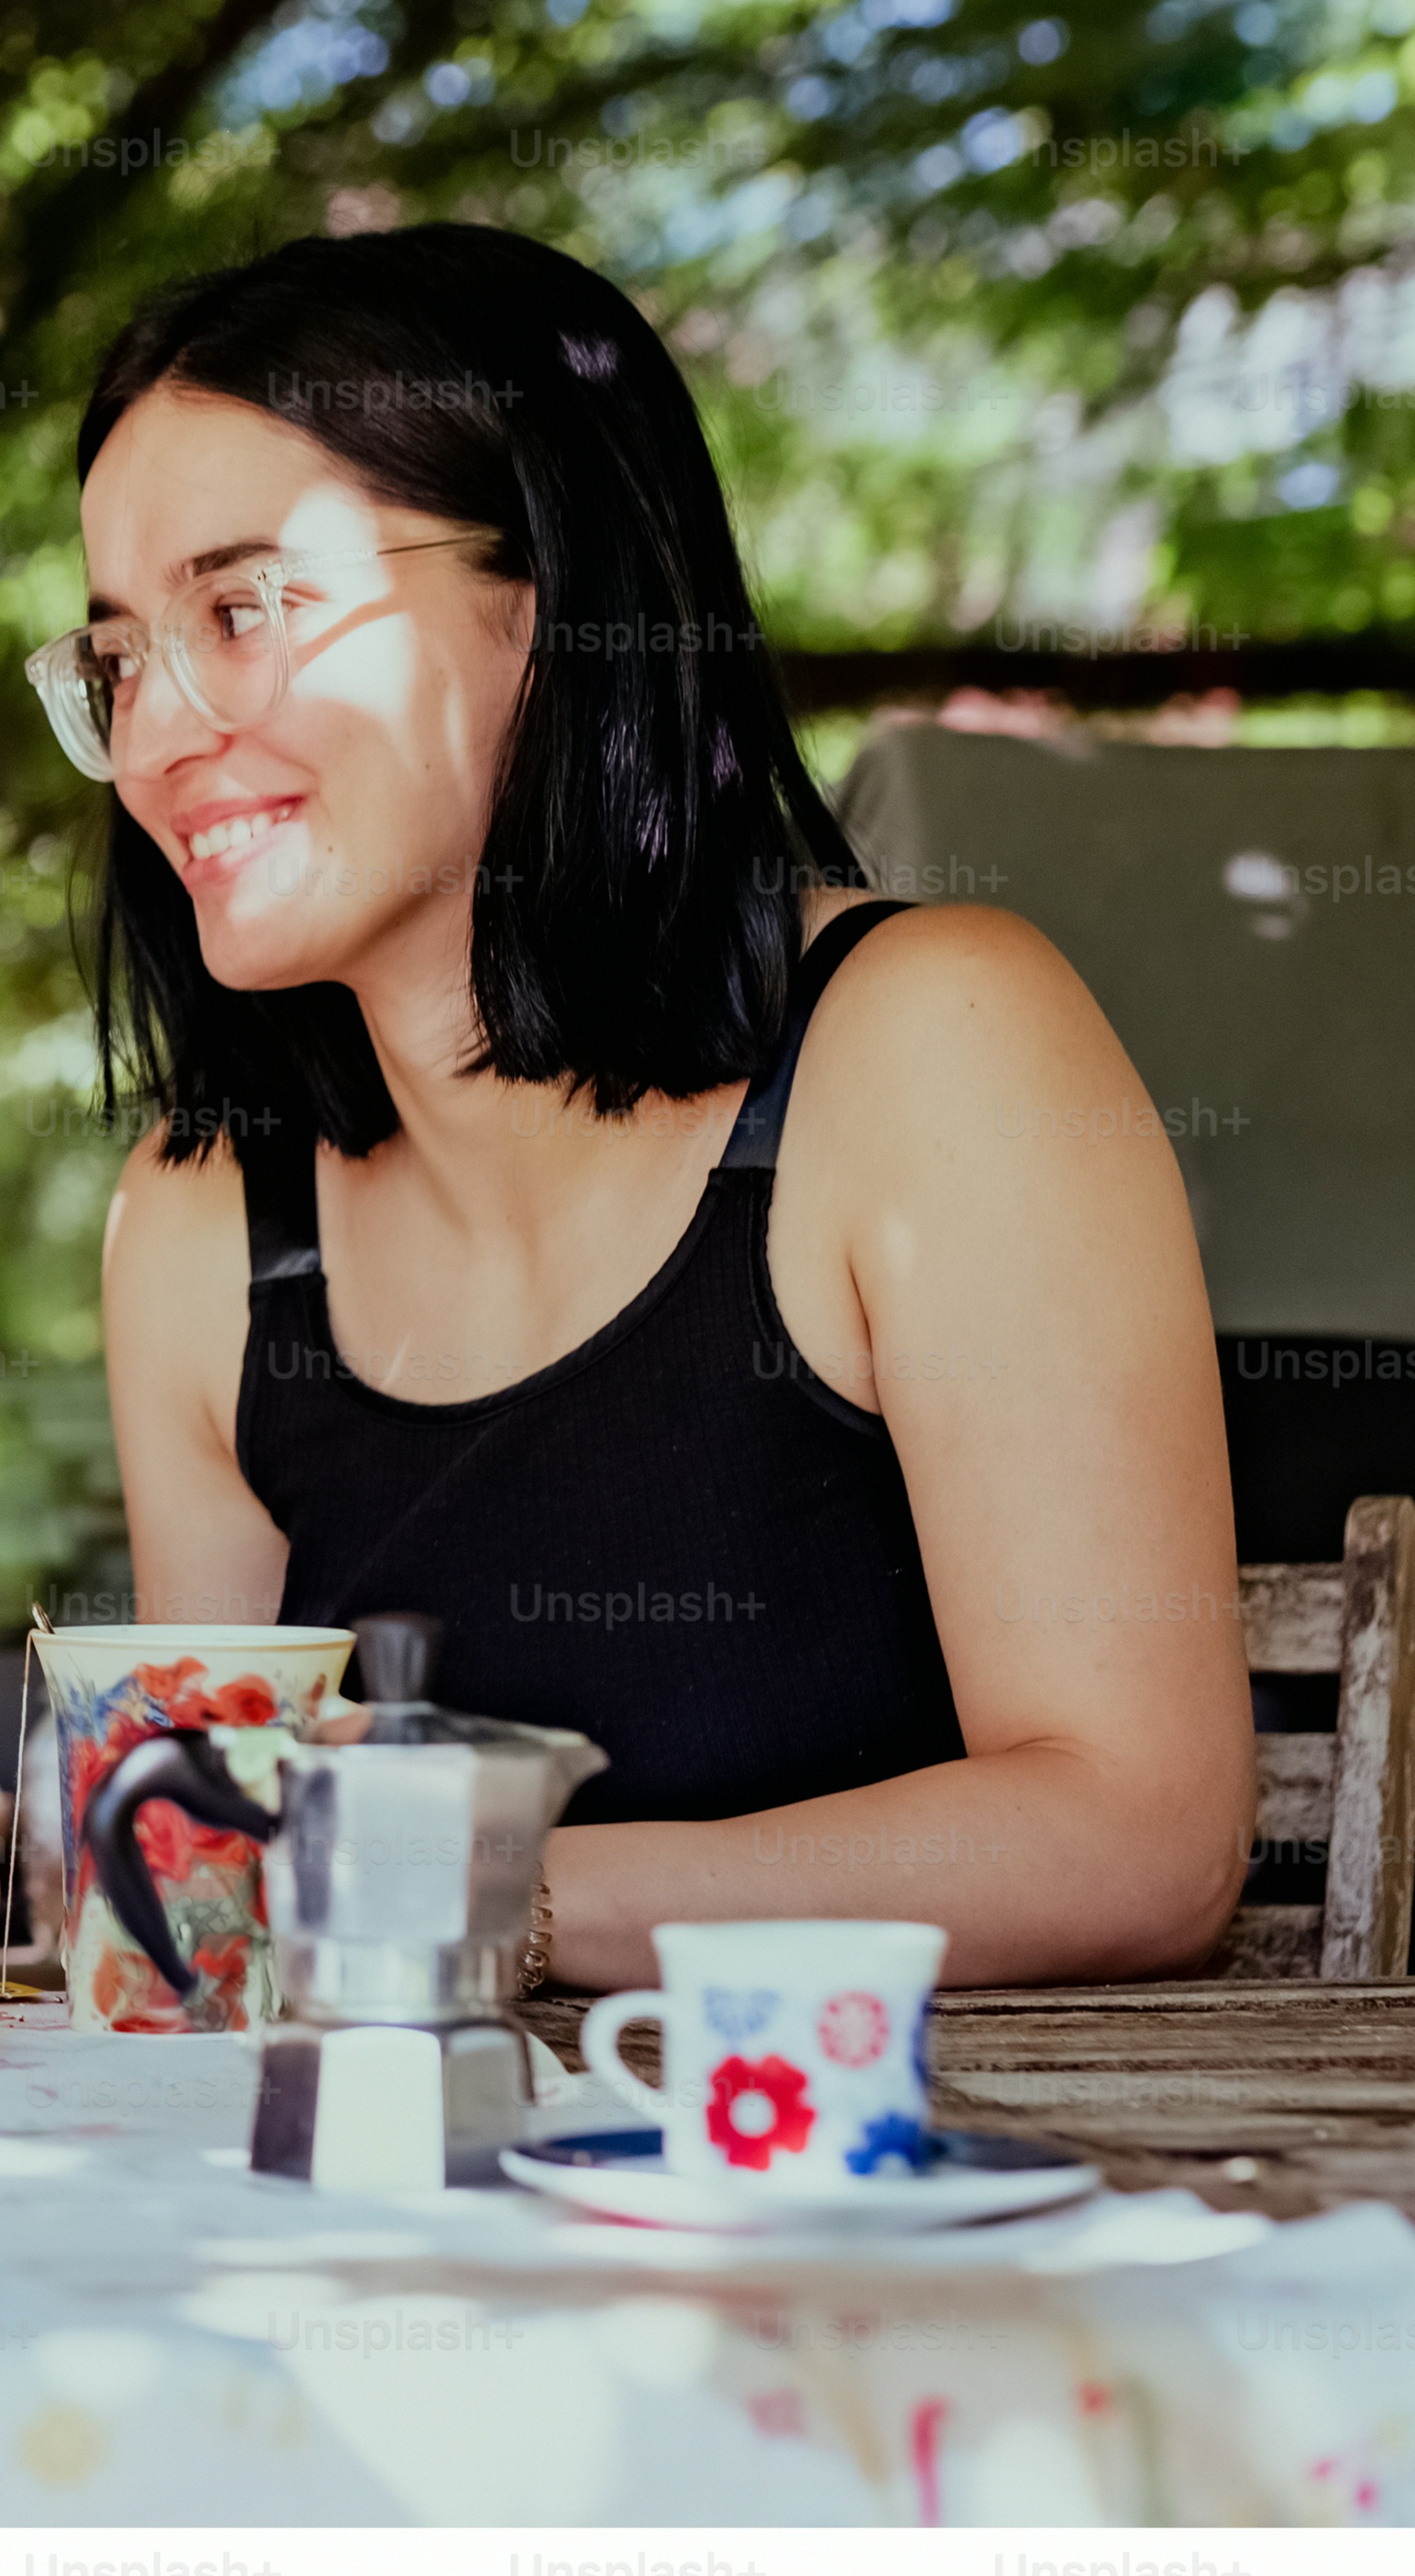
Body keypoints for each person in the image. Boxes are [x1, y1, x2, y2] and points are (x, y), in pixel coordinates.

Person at [63, 224, 1254, 1990]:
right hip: (388, 2242)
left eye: (239, 612)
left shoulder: (931, 1046)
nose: (155, 734)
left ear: (548, 595)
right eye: (112, 659)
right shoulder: (202, 1218)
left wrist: (490, 1890)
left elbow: (1141, 1833)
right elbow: (206, 1925)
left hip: (932, 2216)